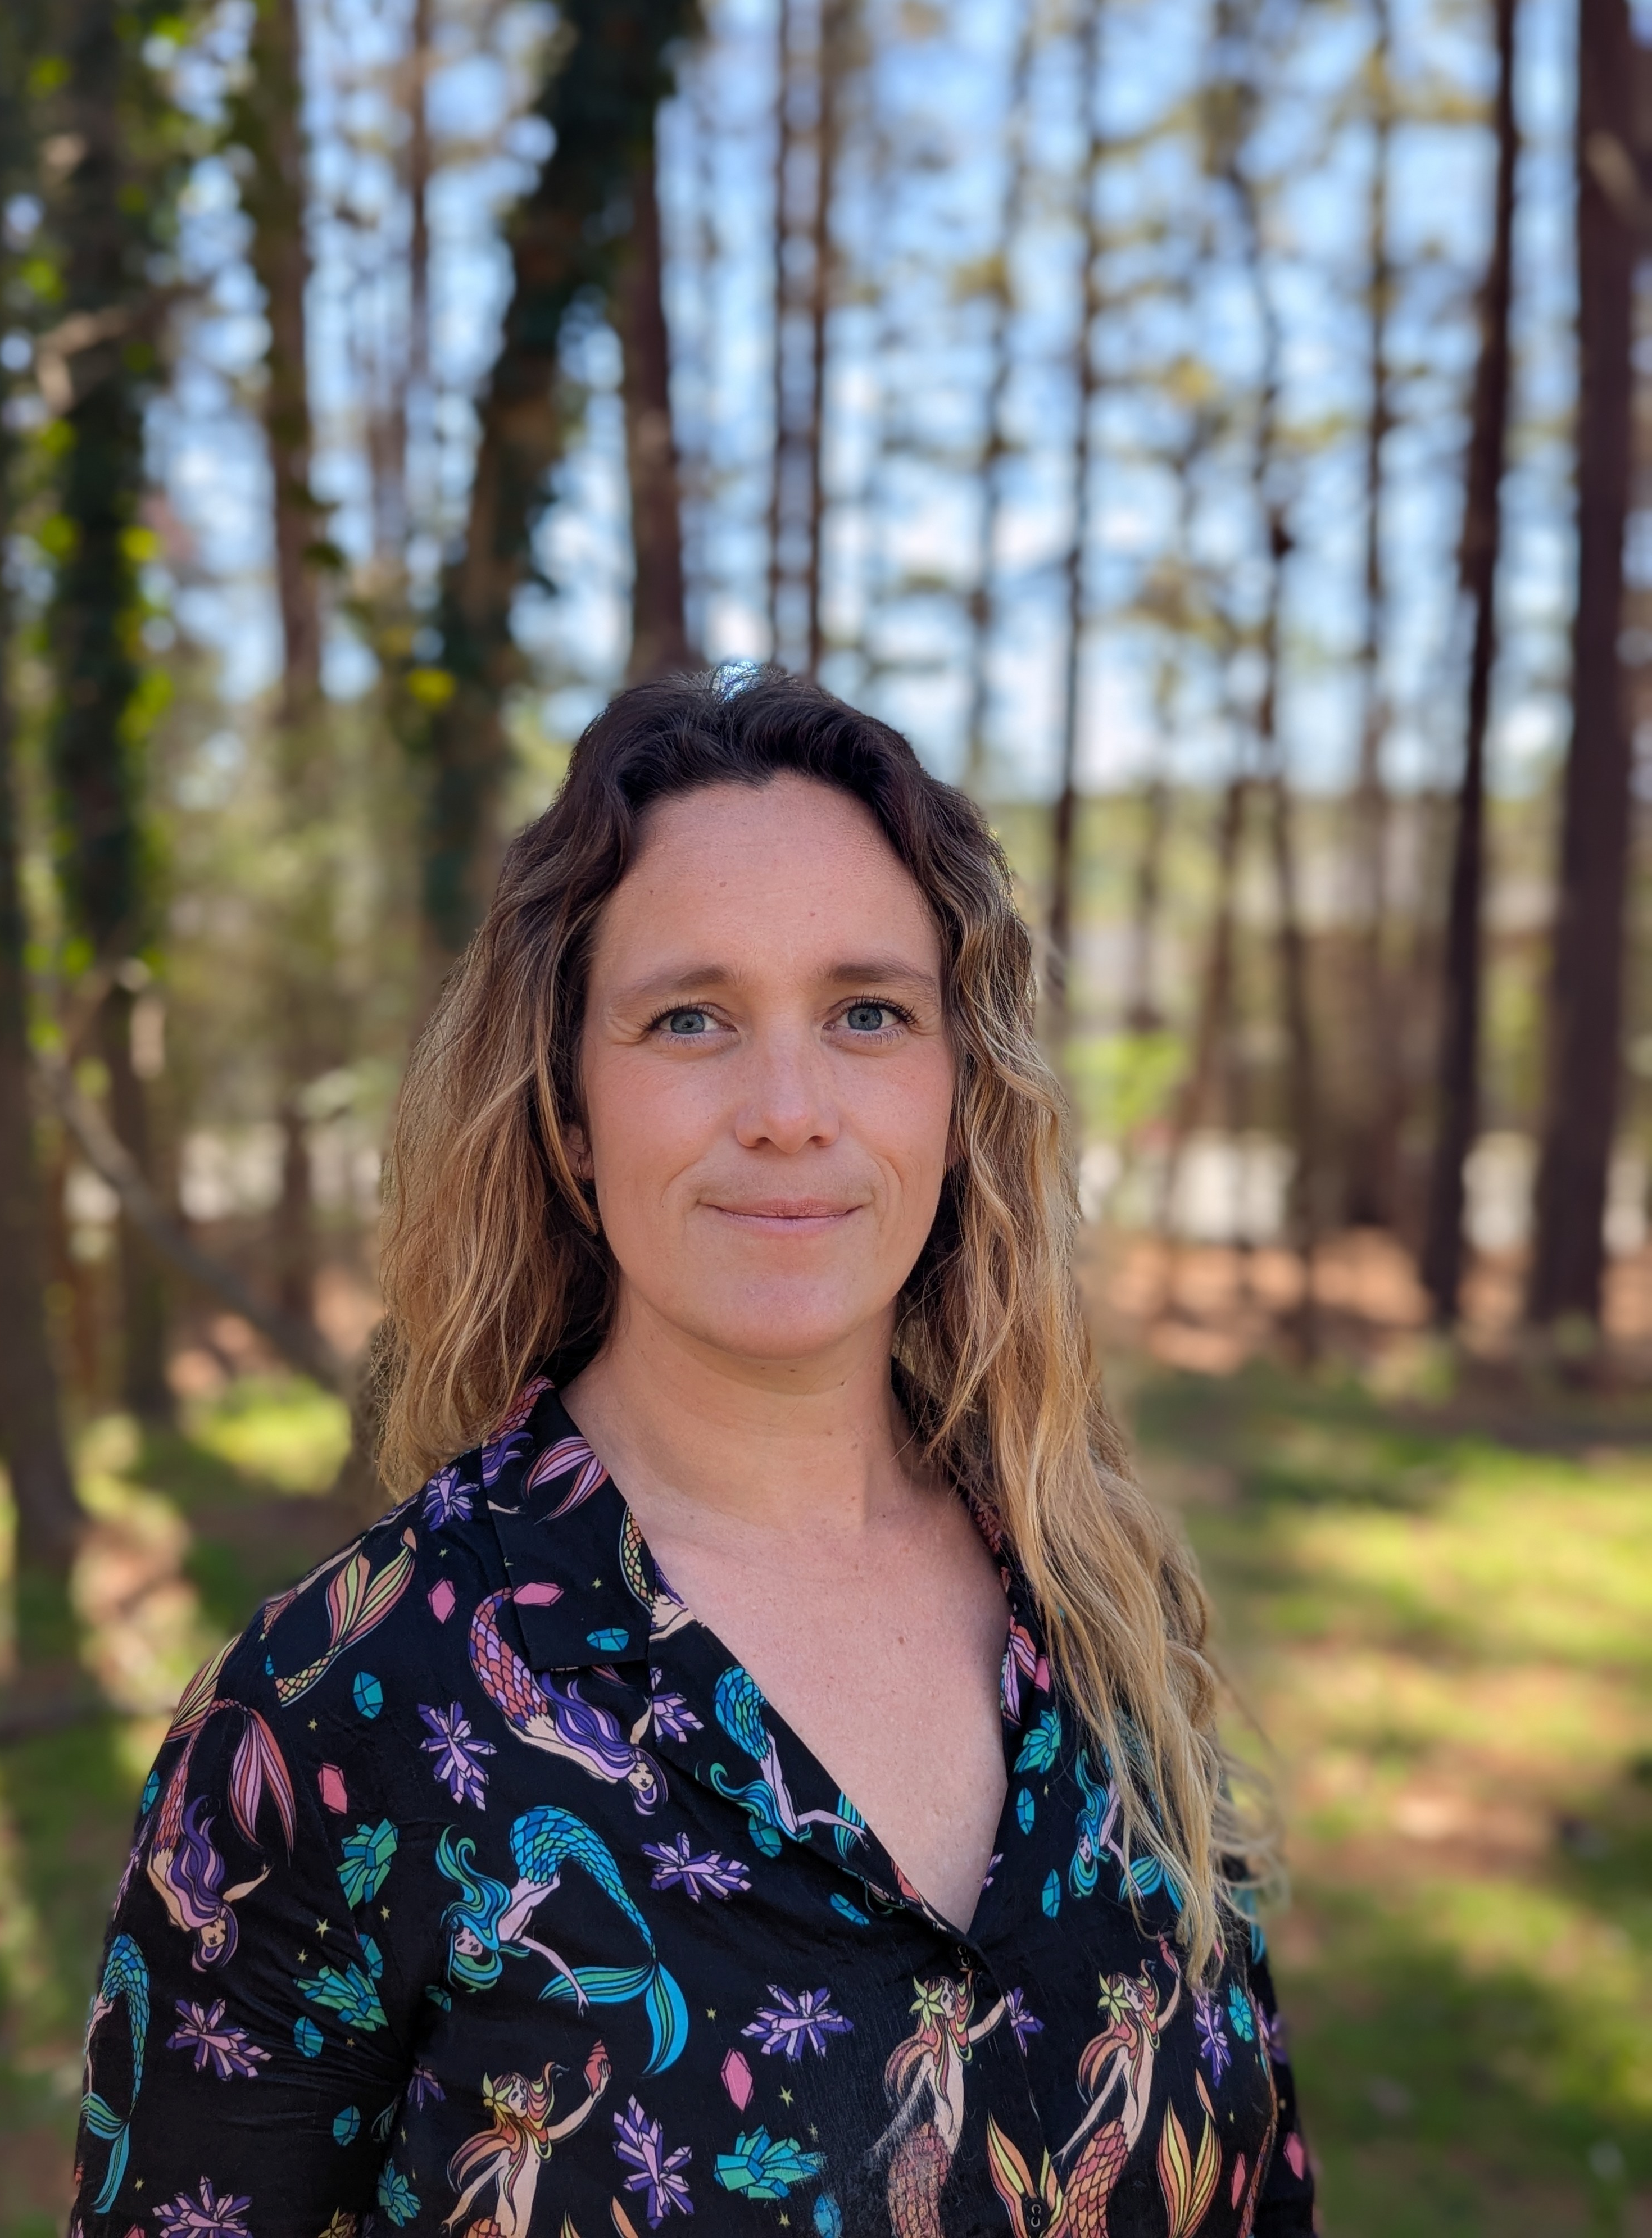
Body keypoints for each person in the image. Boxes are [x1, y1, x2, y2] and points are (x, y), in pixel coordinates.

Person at [71, 667, 1316, 2238]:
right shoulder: (335, 1714)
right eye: (690, 1019)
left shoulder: (1099, 1601)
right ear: (570, 1117)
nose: (789, 1109)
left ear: (958, 1089)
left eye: (868, 1013)